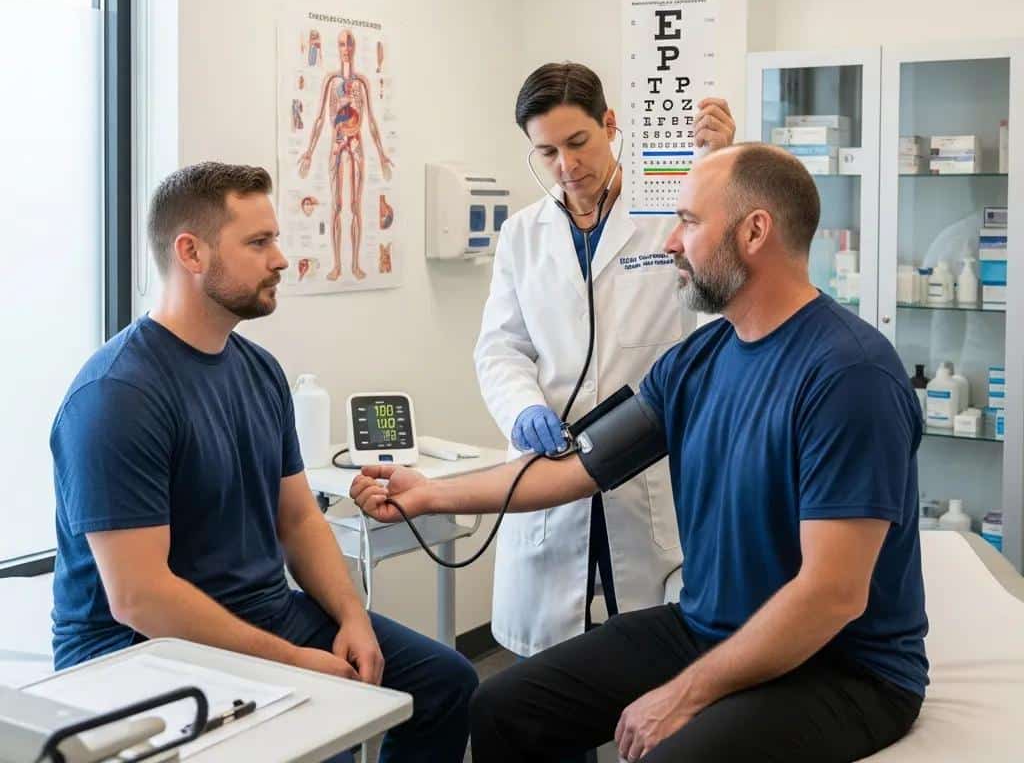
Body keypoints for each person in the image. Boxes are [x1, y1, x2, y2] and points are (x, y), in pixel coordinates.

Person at [354, 143, 928, 763]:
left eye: (688, 222)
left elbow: (831, 595)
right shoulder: (696, 363)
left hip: (843, 668)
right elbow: (577, 469)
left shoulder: (850, 375)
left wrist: (681, 694)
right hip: (710, 627)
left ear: (754, 231)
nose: (673, 244)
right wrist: (430, 492)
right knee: (504, 709)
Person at [50, 162, 476, 763]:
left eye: (275, 238)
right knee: (326, 734)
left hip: (260, 612)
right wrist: (298, 665)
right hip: (138, 649)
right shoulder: (117, 398)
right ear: (191, 253)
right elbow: (140, 598)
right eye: (259, 242)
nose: (281, 259)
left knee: (446, 684)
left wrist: (352, 616)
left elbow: (299, 519)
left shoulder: (259, 371)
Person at [474, 62, 734, 677]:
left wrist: (721, 165)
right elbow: (500, 348)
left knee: (650, 678)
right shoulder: (521, 236)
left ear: (610, 125)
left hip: (646, 478)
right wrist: (523, 409)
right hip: (551, 473)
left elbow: (723, 307)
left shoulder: (672, 214)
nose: (566, 165)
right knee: (547, 690)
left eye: (578, 142)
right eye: (547, 151)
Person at [298, 29, 393, 281]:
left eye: (350, 43)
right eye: (342, 43)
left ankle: (355, 264)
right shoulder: (331, 81)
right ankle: (338, 265)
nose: (346, 48)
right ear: (337, 47)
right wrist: (308, 151)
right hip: (337, 142)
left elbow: (371, 119)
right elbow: (319, 118)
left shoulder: (362, 82)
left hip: (356, 141)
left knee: (355, 206)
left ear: (355, 46)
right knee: (337, 205)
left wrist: (382, 154)